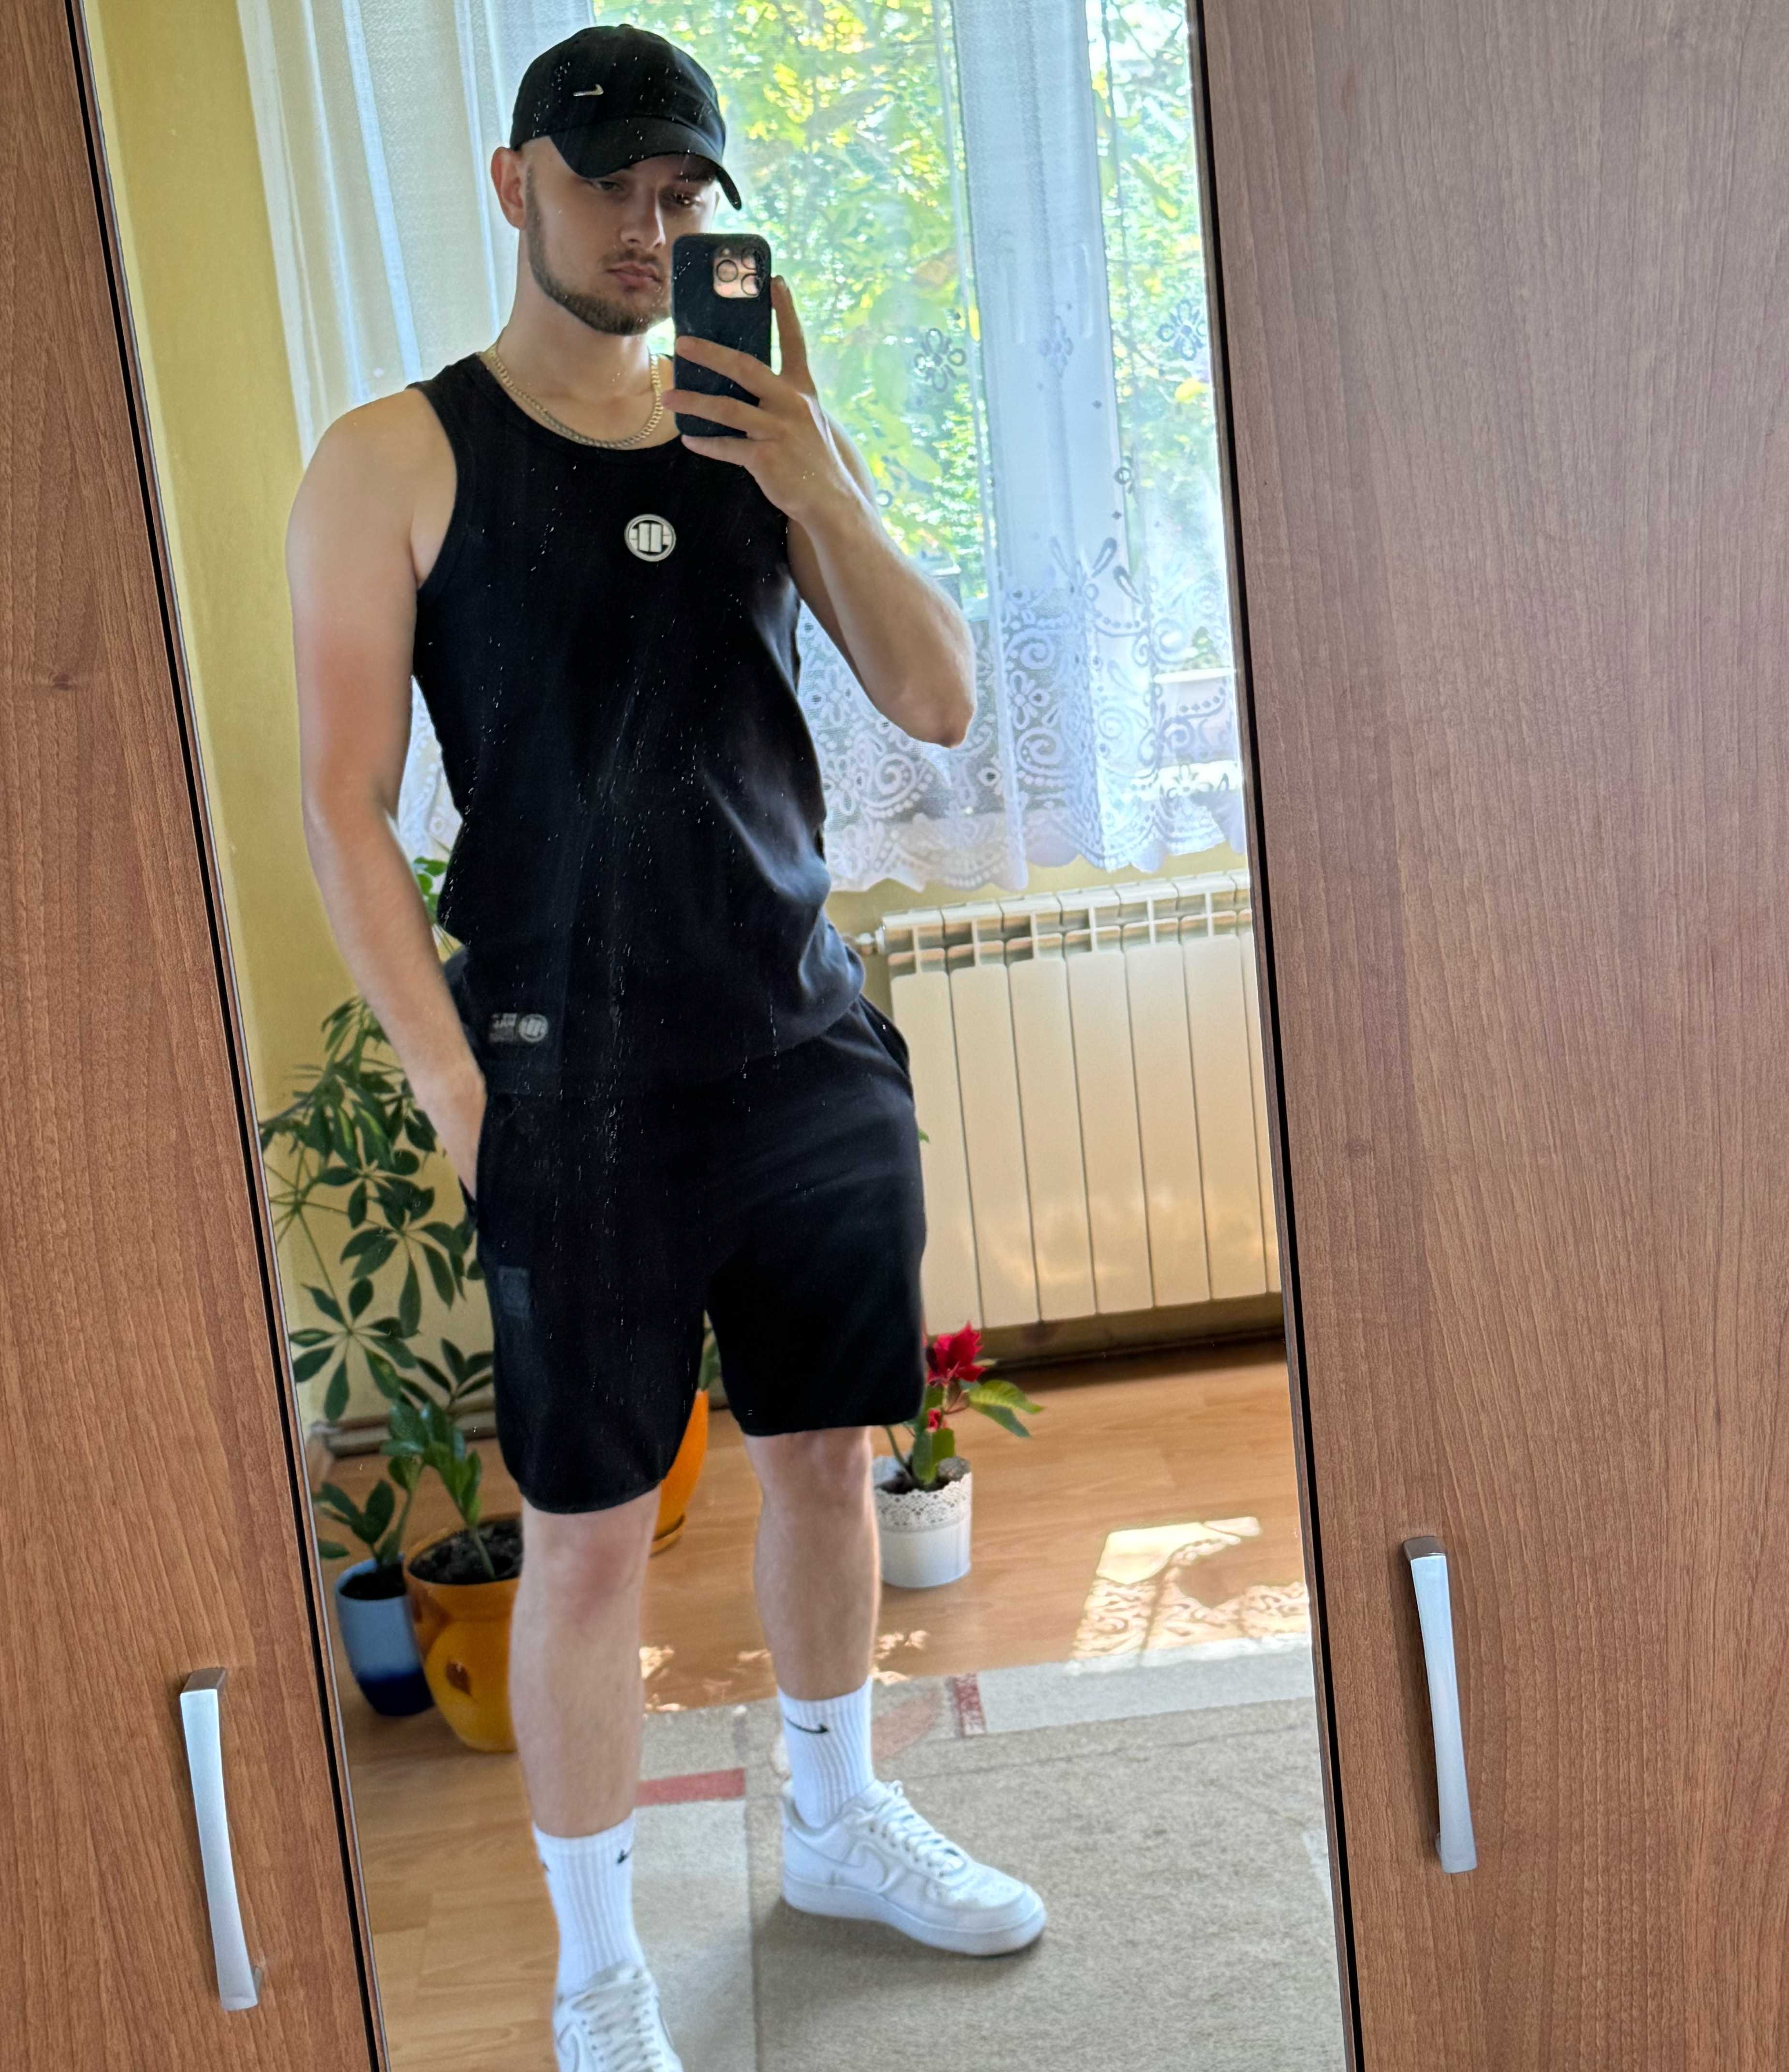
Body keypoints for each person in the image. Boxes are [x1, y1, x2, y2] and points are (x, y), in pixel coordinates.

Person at [285, 22, 1044, 2070]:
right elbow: (340, 801)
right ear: (514, 182)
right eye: (610, 182)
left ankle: (839, 1825)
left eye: (683, 191)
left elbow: (939, 700)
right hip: (565, 1082)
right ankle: (600, 1968)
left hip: (802, 1045)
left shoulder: (759, 425)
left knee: (827, 1465)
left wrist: (816, 476)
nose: (649, 223)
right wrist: (455, 1087)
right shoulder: (394, 459)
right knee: (589, 1534)